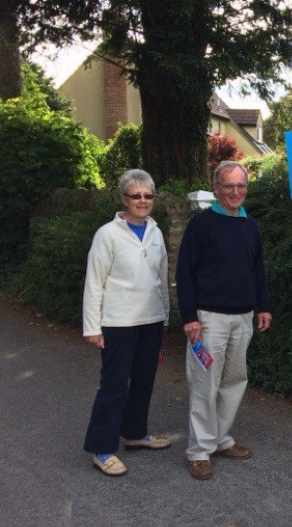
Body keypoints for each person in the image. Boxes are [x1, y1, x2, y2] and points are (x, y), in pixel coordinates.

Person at [176, 160, 272, 481]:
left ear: (246, 188)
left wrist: (263, 306)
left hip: (243, 318)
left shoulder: (250, 226)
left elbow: (257, 270)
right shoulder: (201, 224)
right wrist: (189, 316)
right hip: (208, 320)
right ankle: (199, 451)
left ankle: (219, 439)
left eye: (240, 186)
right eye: (228, 186)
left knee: (234, 381)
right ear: (216, 188)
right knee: (205, 384)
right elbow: (184, 273)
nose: (235, 191)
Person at [82, 169, 171, 476]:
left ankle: (135, 434)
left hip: (151, 320)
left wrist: (166, 316)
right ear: (124, 198)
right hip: (118, 323)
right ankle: (102, 449)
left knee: (144, 380)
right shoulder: (107, 234)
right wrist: (92, 326)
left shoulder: (155, 232)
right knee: (115, 385)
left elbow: (161, 279)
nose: (142, 201)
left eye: (148, 195)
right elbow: (95, 282)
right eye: (136, 195)